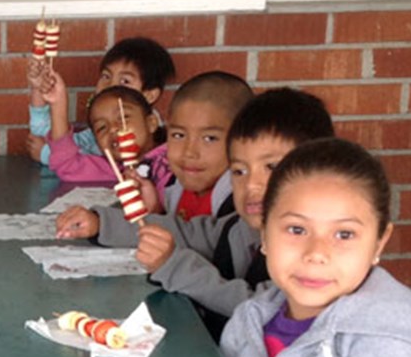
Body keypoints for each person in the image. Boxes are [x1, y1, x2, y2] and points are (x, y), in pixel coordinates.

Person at [57, 88, 335, 341]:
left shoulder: (313, 253)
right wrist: (102, 224)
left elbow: (260, 309)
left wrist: (175, 266)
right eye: (240, 170)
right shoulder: (240, 228)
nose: (252, 185)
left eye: (272, 167)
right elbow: (187, 233)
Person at [222, 138, 411, 357]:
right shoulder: (249, 321)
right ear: (264, 231)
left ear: (379, 242)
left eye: (344, 234)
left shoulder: (393, 345)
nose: (317, 252)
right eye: (297, 229)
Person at [27, 37, 175, 166]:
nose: (110, 86)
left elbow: (102, 167)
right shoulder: (101, 126)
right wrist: (39, 88)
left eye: (125, 81)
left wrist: (48, 155)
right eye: (106, 76)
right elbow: (45, 134)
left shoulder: (144, 136)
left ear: (150, 95)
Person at [41, 81, 171, 209]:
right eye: (102, 127)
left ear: (151, 123)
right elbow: (66, 163)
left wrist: (156, 208)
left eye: (123, 118)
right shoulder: (112, 170)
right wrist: (58, 105)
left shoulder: (174, 161)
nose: (113, 128)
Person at [158, 71, 253, 220]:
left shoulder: (240, 199)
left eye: (209, 138)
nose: (189, 152)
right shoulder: (174, 186)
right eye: (178, 135)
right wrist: (155, 210)